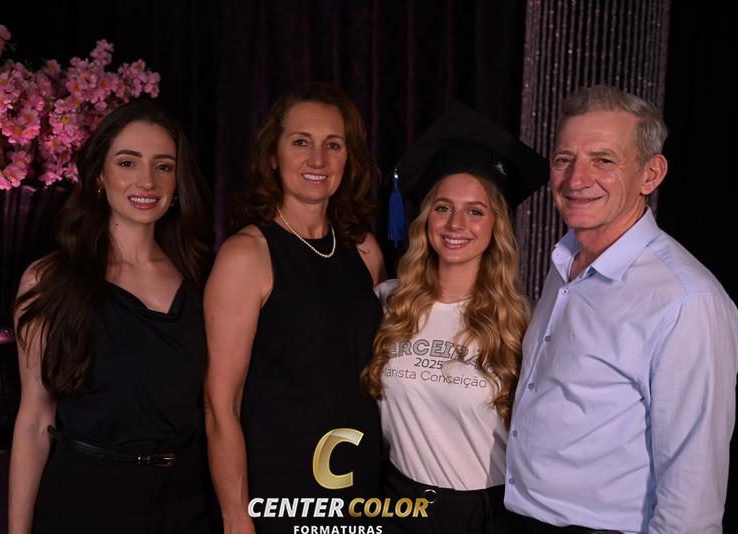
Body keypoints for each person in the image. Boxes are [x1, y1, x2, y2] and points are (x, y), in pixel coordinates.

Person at [504, 85, 738, 533]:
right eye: (564, 159)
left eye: (604, 160)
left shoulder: (686, 301)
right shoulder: (564, 263)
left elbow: (693, 493)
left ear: (651, 174)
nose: (576, 180)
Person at [8, 99, 213, 534]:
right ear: (100, 176)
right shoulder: (49, 280)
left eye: (163, 166)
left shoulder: (204, 278)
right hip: (83, 504)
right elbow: (35, 421)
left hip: (186, 505)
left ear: (178, 181)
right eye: (127, 162)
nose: (147, 181)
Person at [204, 82, 386, 533]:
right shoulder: (247, 255)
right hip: (283, 490)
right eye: (301, 142)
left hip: (360, 487)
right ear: (273, 154)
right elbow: (220, 404)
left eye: (333, 145)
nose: (317, 160)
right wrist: (237, 518)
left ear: (348, 158)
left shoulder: (364, 251)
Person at [361, 102, 547, 533]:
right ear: (426, 218)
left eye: (475, 211)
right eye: (443, 208)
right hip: (397, 506)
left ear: (496, 225)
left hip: (485, 514)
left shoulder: (522, 321)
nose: (455, 224)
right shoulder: (388, 303)